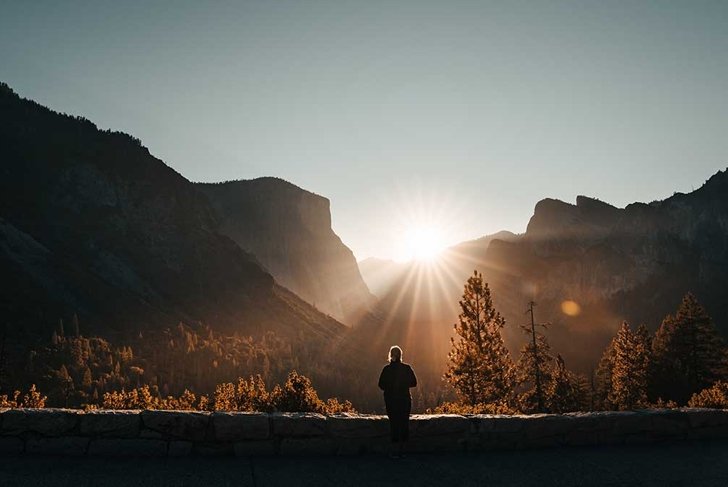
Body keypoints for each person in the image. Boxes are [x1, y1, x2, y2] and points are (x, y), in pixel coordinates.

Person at [378, 345, 417, 458]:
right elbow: (414, 383)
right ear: (401, 355)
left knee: (393, 423)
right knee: (404, 423)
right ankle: (404, 450)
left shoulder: (386, 369)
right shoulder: (407, 368)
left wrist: (390, 388)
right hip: (405, 399)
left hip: (390, 400)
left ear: (390, 355)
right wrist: (403, 385)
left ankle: (394, 450)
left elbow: (380, 385)